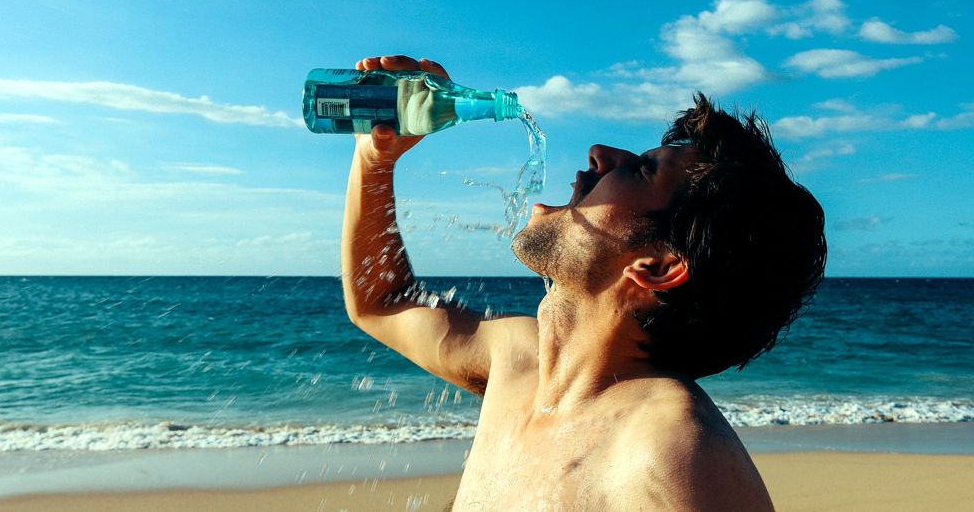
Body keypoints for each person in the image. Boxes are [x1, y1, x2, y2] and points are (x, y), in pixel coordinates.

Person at [341, 55, 826, 511]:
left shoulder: (672, 449)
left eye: (641, 169)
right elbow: (380, 302)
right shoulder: (517, 359)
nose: (599, 154)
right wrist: (375, 159)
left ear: (658, 267)